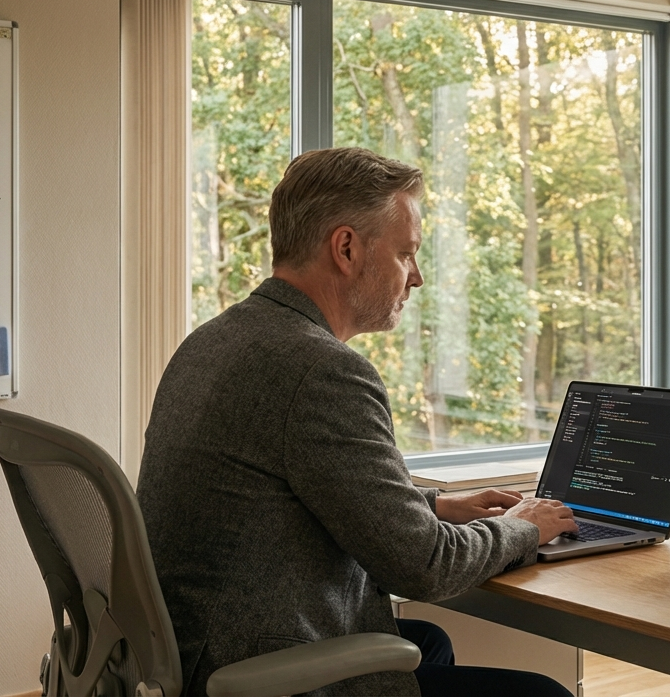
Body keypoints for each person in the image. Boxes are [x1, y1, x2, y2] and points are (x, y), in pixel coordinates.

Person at [137, 147, 579, 696]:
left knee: (427, 644)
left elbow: (289, 493)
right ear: (346, 248)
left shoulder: (214, 340)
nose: (416, 278)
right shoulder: (322, 371)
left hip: (188, 650)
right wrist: (524, 526)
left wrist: (435, 506)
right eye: (405, 254)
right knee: (544, 694)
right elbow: (425, 569)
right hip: (247, 665)